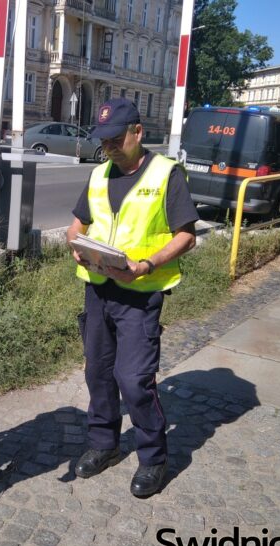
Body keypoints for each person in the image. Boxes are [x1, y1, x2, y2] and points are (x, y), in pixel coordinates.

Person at [67, 98, 198, 497]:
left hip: (140, 295)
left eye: (115, 138)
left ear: (138, 132)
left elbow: (186, 235)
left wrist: (148, 264)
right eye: (102, 140)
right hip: (97, 289)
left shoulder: (165, 174)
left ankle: (153, 460)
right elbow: (78, 224)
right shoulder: (99, 174)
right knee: (98, 372)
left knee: (135, 381)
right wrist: (75, 244)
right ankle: (104, 444)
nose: (108, 146)